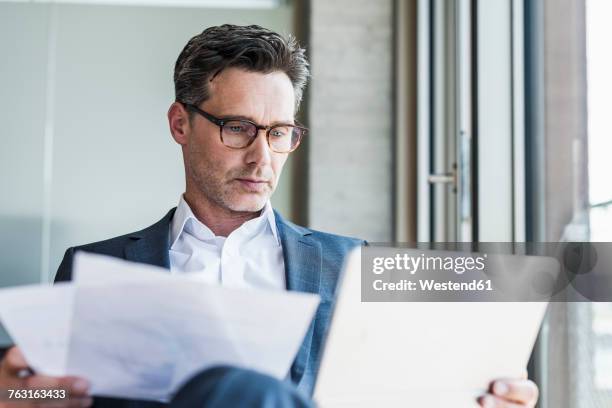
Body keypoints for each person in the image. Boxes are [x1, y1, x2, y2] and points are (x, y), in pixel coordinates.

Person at [0, 24, 539, 408]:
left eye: (279, 132)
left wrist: (493, 397)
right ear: (180, 124)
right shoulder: (97, 266)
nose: (262, 158)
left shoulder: (352, 263)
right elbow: (56, 390)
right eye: (238, 127)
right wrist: (18, 394)